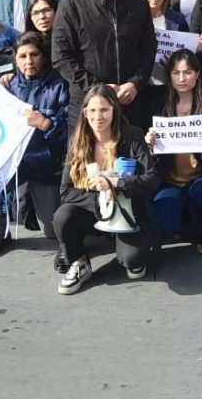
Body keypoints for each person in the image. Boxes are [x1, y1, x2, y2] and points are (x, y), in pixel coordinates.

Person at [0, 34, 69, 262]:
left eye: (34, 54)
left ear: (43, 56)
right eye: (23, 56)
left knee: (53, 230)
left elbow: (70, 130)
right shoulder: (6, 85)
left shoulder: (60, 85)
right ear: (16, 60)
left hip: (45, 164)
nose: (29, 61)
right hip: (10, 162)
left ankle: (26, 206)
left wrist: (45, 123)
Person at [53, 84, 159, 293]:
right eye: (92, 110)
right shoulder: (78, 140)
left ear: (114, 110)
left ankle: (128, 251)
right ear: (84, 113)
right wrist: (99, 200)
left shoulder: (132, 135)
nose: (97, 116)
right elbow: (65, 191)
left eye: (104, 110)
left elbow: (152, 178)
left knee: (133, 261)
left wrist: (117, 184)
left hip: (128, 211)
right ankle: (79, 261)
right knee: (62, 216)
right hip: (96, 212)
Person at [52, 0, 156, 132]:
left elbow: (148, 49)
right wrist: (98, 89)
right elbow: (61, 57)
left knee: (129, 161)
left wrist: (135, 83)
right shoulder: (70, 6)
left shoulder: (139, 4)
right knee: (86, 161)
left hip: (129, 101)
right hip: (88, 103)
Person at [145, 50, 202, 254]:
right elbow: (149, 158)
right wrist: (149, 146)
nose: (182, 78)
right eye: (176, 72)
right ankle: (186, 216)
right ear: (169, 76)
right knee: (168, 224)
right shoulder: (158, 106)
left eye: (187, 72)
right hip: (169, 179)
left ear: (197, 74)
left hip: (201, 175)